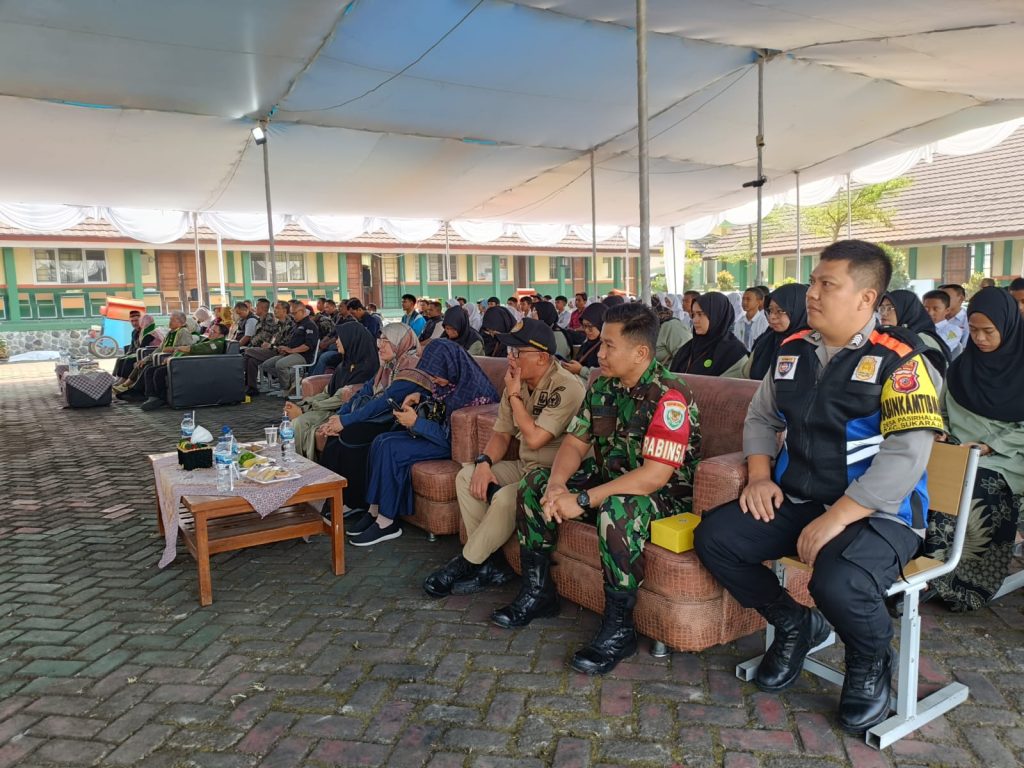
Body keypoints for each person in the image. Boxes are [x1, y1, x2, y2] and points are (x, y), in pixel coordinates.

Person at [694, 240, 945, 736]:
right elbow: (762, 417)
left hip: (882, 515)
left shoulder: (902, 362)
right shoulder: (791, 350)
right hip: (801, 499)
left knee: (837, 581)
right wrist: (761, 475)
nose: (812, 293)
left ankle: (870, 662)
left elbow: (906, 456)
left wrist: (839, 515)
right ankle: (794, 624)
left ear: (866, 298)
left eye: (827, 284)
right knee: (716, 538)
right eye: (813, 281)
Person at [492, 303, 700, 675]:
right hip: (610, 482)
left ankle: (620, 629)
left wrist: (583, 499)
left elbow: (653, 477)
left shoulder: (670, 396)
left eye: (608, 345)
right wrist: (557, 487)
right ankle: (539, 593)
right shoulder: (602, 386)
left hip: (663, 497)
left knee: (616, 509)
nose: (598, 354)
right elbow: (575, 442)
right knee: (534, 481)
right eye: (600, 345)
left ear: (640, 352)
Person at [424, 319, 586, 597]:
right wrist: (484, 463)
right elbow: (501, 434)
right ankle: (492, 564)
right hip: (526, 466)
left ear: (542, 357)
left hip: (556, 476)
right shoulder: (518, 383)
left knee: (505, 498)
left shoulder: (566, 386)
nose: (510, 358)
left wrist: (513, 395)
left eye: (518, 353)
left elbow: (535, 438)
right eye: (510, 351)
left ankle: (465, 562)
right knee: (467, 477)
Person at [924, 287, 1024, 611]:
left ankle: (962, 584)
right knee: (922, 474)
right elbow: (941, 413)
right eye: (975, 330)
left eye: (988, 331)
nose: (980, 338)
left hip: (1008, 458)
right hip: (959, 449)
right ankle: (923, 572)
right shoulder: (962, 367)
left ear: (1007, 328)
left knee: (975, 485)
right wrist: (940, 432)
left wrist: (990, 446)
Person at [347, 340, 499, 546]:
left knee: (392, 448)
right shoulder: (451, 379)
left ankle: (387, 522)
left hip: (453, 445)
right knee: (380, 441)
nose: (434, 379)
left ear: (450, 366)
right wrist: (420, 396)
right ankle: (374, 510)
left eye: (437, 374)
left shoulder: (475, 393)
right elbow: (440, 400)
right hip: (436, 434)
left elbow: (453, 437)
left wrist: (416, 423)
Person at [317, 324, 423, 511]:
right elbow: (363, 393)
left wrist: (346, 421)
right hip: (377, 417)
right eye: (379, 341)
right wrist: (337, 417)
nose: (380, 346)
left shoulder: (411, 368)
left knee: (350, 434)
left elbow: (383, 402)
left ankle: (354, 501)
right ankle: (329, 497)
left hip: (397, 422)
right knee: (334, 437)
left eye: (386, 342)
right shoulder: (388, 366)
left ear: (401, 343)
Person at [284, 322, 381, 459]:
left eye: (340, 338)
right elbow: (327, 392)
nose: (336, 342)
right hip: (327, 407)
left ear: (351, 340)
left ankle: (304, 466)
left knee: (299, 422)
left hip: (342, 411)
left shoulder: (367, 367)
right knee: (293, 422)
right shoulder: (344, 364)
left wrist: (307, 409)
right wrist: (303, 403)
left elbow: (339, 398)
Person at [139, 322, 229, 410]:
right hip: (182, 362)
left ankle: (161, 399)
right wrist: (171, 357)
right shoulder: (209, 340)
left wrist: (176, 349)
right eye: (210, 330)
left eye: (214, 332)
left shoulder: (216, 344)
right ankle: (152, 396)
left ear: (221, 335)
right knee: (150, 370)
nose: (210, 332)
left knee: (159, 372)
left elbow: (195, 349)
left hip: (190, 365)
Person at [114, 311, 193, 399]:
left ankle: (141, 392)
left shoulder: (184, 332)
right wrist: (146, 358)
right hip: (160, 358)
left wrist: (172, 354)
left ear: (179, 322)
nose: (169, 322)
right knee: (143, 364)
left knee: (149, 369)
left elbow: (186, 350)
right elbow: (159, 348)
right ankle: (132, 388)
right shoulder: (171, 332)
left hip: (171, 361)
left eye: (172, 320)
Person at [670, 292, 749, 378]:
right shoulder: (688, 348)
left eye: (700, 314)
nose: (695, 320)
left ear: (716, 315)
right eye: (693, 314)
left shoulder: (734, 353)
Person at [745, 283, 808, 381]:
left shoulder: (811, 345)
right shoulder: (766, 339)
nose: (771, 317)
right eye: (770, 310)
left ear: (798, 309)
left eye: (780, 311)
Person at [878, 289, 951, 373]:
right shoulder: (892, 334)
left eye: (890, 308)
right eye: (882, 308)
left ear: (906, 309)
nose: (883, 313)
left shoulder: (922, 340)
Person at [260, 301, 319, 394]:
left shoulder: (309, 325)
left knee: (280, 364)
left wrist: (291, 350)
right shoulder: (296, 324)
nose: (293, 315)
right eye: (292, 313)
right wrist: (285, 349)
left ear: (302, 312)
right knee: (266, 365)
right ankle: (293, 381)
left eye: (295, 313)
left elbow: (308, 346)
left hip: (302, 355)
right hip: (291, 353)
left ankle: (287, 388)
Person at [243, 301, 292, 396]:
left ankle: (239, 378)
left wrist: (271, 345)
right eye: (274, 308)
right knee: (251, 360)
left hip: (281, 352)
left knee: (247, 351)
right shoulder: (279, 324)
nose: (275, 311)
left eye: (277, 308)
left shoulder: (290, 324)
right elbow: (274, 339)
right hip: (272, 349)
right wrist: (270, 344)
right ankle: (252, 387)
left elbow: (287, 343)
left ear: (285, 310)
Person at [560, 302, 607, 384]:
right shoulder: (587, 343)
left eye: (590, 326)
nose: (587, 330)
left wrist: (581, 370)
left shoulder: (607, 347)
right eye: (584, 326)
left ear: (601, 324)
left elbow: (606, 378)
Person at [113, 312, 161, 380]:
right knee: (120, 359)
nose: (134, 323)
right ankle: (117, 378)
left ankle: (124, 380)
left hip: (144, 353)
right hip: (136, 352)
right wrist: (128, 354)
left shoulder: (148, 332)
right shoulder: (134, 332)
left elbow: (142, 346)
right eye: (132, 321)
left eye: (136, 321)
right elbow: (132, 346)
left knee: (128, 360)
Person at [654, 294, 691, 366]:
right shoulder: (653, 327)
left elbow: (684, 358)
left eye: (668, 301)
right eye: (665, 301)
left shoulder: (672, 326)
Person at [922, 289, 963, 355]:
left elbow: (936, 349)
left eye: (936, 309)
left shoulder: (953, 330)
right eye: (926, 308)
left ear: (947, 311)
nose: (930, 313)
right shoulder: (918, 327)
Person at [733, 287, 770, 352]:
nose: (744, 302)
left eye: (748, 299)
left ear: (759, 302)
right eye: (743, 299)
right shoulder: (739, 322)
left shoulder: (764, 322)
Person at [939, 283, 968, 349]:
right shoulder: (935, 318)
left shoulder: (968, 320)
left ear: (961, 299)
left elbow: (965, 346)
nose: (942, 301)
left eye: (947, 297)